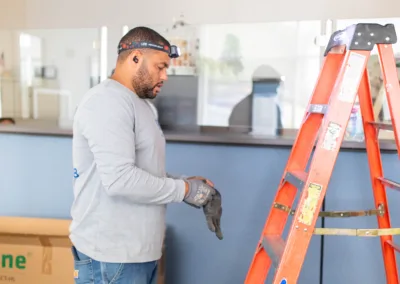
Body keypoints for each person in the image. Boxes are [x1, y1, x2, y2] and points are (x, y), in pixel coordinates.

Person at [69, 26, 223, 284]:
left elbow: (140, 170)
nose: (165, 76)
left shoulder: (140, 104)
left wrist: (187, 183)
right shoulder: (107, 102)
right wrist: (184, 189)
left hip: (135, 253)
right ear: (135, 58)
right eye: (160, 67)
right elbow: (120, 181)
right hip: (111, 255)